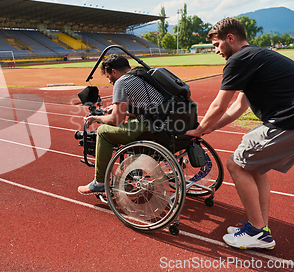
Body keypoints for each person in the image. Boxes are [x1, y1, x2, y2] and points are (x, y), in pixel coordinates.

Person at [186, 17, 294, 250]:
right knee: (254, 167)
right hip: (288, 120)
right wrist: (211, 128)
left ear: (230, 38)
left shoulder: (238, 59)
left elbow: (219, 105)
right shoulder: (255, 56)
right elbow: (239, 107)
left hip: (287, 120)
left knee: (235, 165)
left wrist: (199, 129)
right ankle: (261, 226)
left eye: (217, 45)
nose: (216, 51)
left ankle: (257, 233)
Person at [78, 53, 164, 195]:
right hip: (165, 122)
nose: (110, 81)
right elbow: (146, 107)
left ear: (113, 71)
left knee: (103, 132)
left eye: (108, 76)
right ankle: (134, 169)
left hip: (150, 127)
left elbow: (117, 120)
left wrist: (95, 118)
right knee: (129, 120)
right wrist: (122, 111)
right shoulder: (143, 74)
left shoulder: (121, 82)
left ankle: (99, 183)